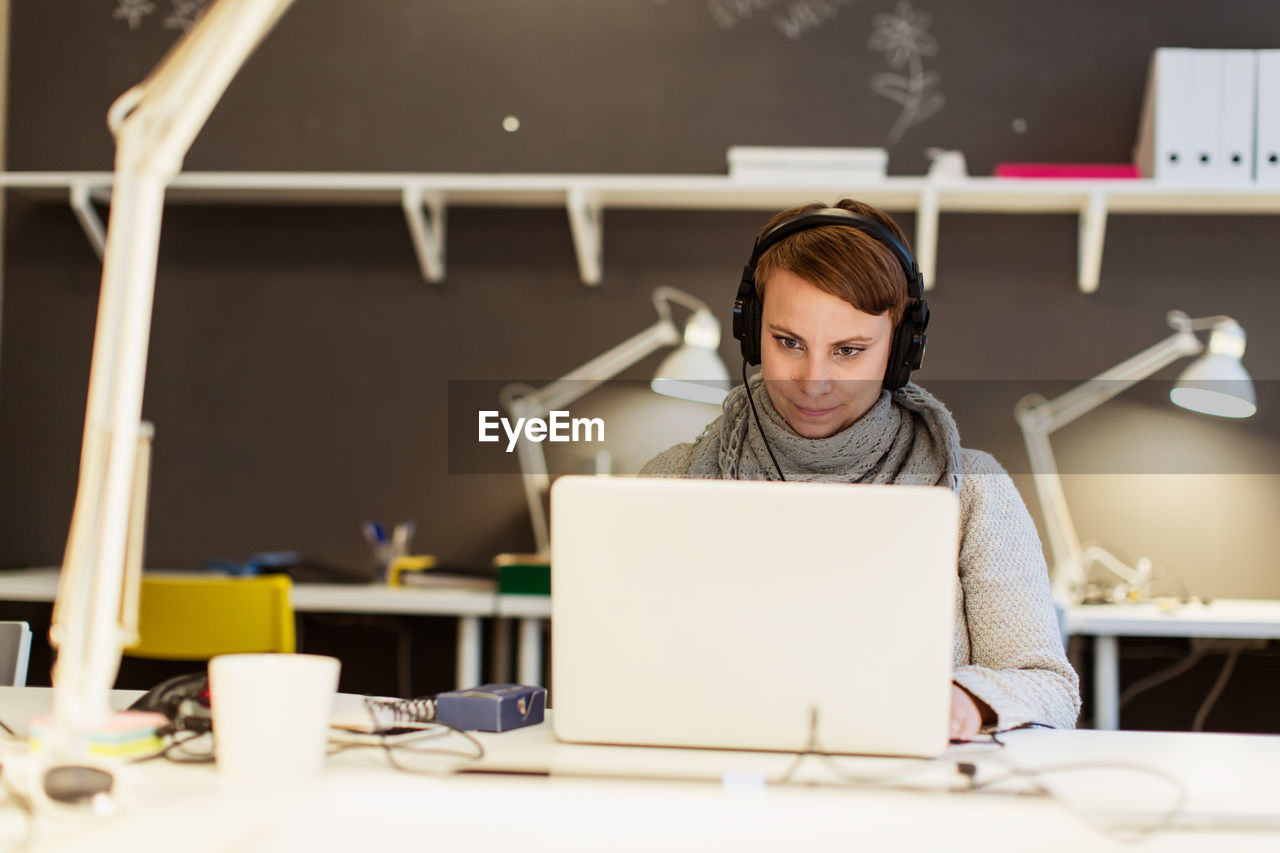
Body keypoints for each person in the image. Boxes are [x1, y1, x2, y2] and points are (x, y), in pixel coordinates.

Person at [640, 199, 1081, 738]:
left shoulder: (974, 492)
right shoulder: (671, 481)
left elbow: (1048, 686)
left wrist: (969, 700)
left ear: (900, 348)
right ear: (751, 329)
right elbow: (620, 666)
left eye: (848, 350)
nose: (815, 380)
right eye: (788, 343)